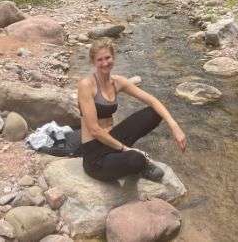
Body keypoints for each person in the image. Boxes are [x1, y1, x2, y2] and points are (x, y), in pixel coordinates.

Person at [78, 38, 187, 182]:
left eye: (108, 57)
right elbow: (94, 130)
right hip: (95, 155)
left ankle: (125, 158)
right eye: (100, 60)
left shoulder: (118, 82)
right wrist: (125, 149)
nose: (105, 63)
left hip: (112, 138)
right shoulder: (86, 85)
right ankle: (134, 162)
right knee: (137, 159)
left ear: (113, 57)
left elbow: (152, 100)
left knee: (153, 113)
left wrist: (174, 126)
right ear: (93, 62)